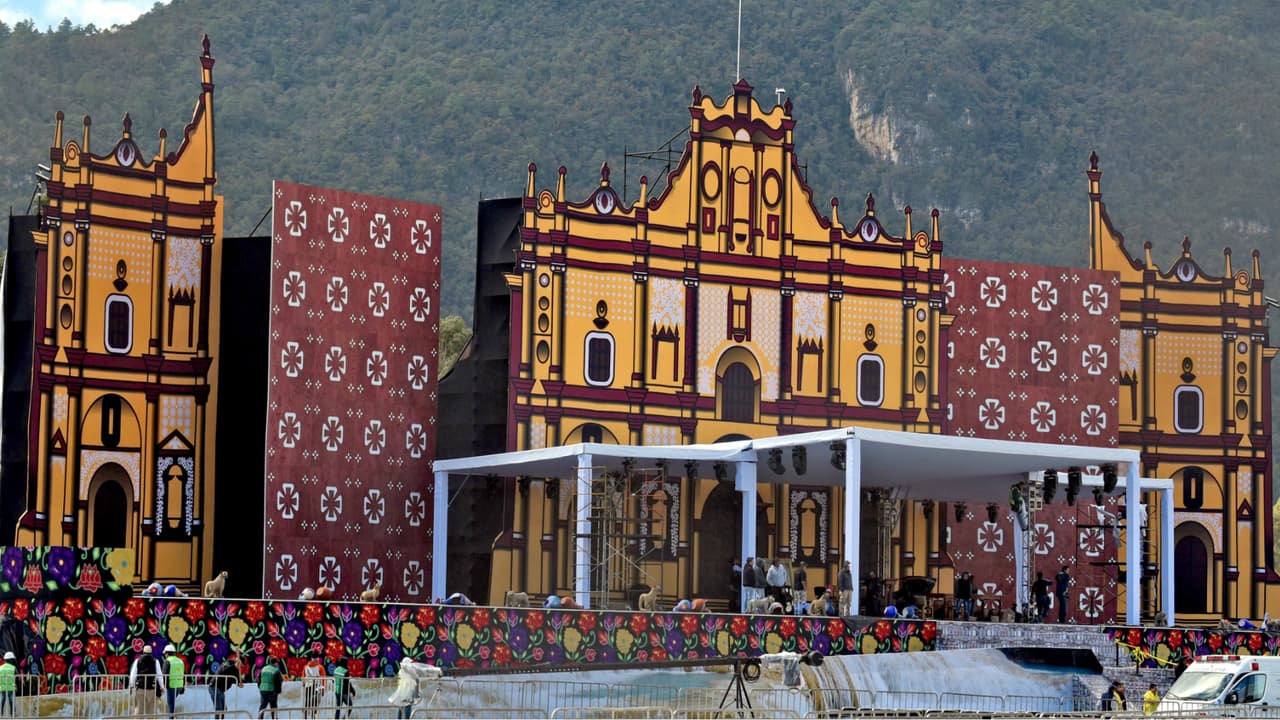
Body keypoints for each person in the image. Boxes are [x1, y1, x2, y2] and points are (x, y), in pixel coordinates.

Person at [129, 644, 162, 717]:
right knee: (152, 711)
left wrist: (131, 685)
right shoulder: (155, 661)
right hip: (152, 688)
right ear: (151, 652)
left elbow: (133, 674)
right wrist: (162, 687)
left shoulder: (138, 660)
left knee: (139, 710)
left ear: (143, 652)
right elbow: (159, 676)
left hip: (140, 688)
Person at [209, 653, 243, 720]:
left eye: (241, 665)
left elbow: (238, 682)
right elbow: (224, 670)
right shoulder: (228, 662)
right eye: (240, 664)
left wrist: (240, 684)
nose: (240, 666)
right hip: (214, 687)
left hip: (221, 690)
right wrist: (235, 666)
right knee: (219, 709)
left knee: (224, 709)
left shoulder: (237, 671)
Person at [162, 644, 185, 718]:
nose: (165, 655)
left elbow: (164, 674)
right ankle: (172, 717)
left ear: (167, 653)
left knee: (171, 705)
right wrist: (183, 687)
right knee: (173, 703)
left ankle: (171, 718)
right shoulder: (180, 661)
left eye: (165, 653)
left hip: (171, 685)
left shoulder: (168, 661)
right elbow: (183, 674)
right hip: (179, 685)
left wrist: (164, 686)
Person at [302, 653, 327, 719]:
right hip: (317, 687)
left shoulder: (305, 667)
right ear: (317, 658)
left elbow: (303, 678)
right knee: (315, 702)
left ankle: (305, 716)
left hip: (308, 686)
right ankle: (314, 716)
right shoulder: (320, 667)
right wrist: (323, 689)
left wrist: (304, 685)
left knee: (307, 701)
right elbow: (323, 679)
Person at [0, 652, 14, 718]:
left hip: (3, 687)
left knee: (2, 700)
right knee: (11, 701)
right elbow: (16, 677)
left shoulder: (0, 668)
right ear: (10, 659)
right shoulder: (13, 667)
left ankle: (1, 714)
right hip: (11, 687)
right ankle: (12, 715)